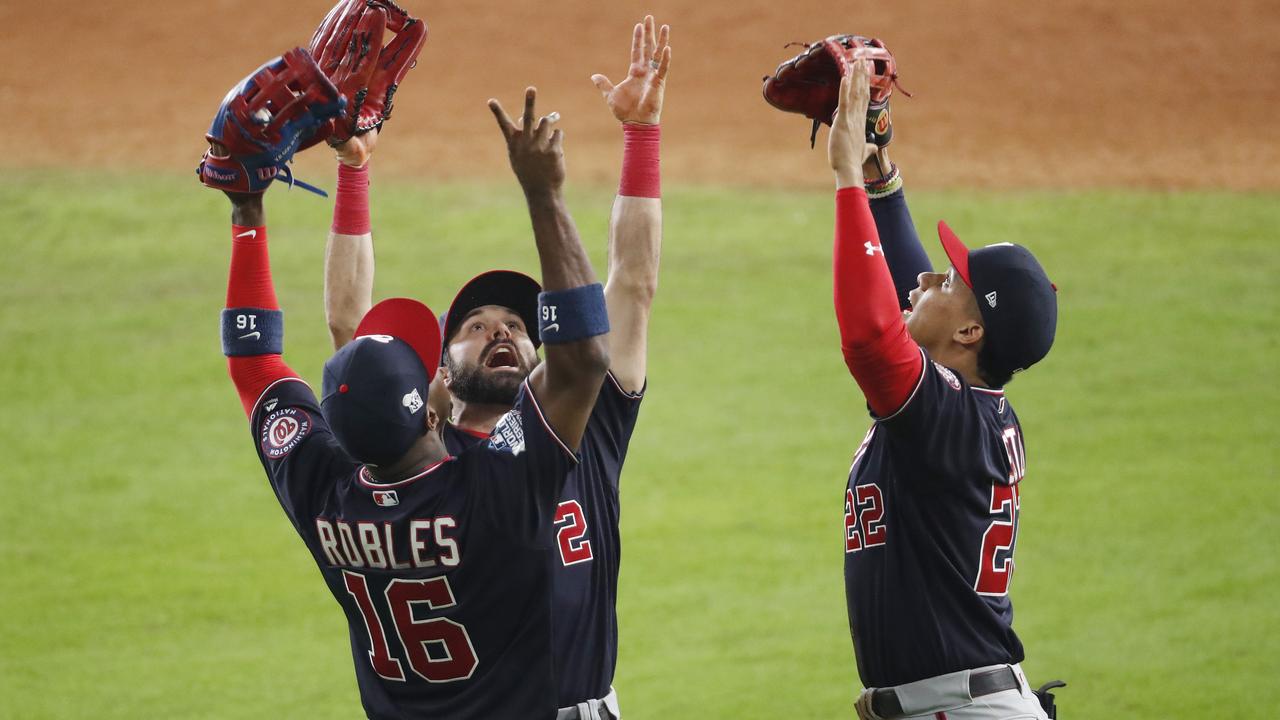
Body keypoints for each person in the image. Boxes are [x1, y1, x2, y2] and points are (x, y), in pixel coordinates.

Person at [215, 82, 610, 718]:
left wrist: (249, 215)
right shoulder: (491, 492)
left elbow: (254, 363)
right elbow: (586, 359)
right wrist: (544, 193)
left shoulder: (326, 492)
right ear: (432, 413)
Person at [322, 16, 670, 718]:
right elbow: (348, 327)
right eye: (475, 328)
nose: (501, 332)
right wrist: (353, 170)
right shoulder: (421, 457)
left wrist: (642, 135)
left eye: (516, 323)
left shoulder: (589, 421)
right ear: (435, 381)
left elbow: (630, 283)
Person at [827, 57, 1059, 720]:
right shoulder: (964, 408)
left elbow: (872, 336)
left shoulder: (946, 419)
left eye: (949, 282)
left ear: (969, 333)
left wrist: (845, 175)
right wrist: (880, 177)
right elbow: (909, 296)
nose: (926, 280)